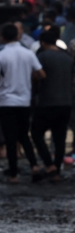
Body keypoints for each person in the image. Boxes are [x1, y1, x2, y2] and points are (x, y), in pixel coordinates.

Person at [0, 23, 45, 183]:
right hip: (24, 100)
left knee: (10, 138)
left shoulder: (1, 55)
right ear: (18, 36)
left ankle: (13, 173)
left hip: (6, 101)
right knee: (24, 135)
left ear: (2, 37)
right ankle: (34, 165)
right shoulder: (28, 54)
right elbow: (41, 74)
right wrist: (28, 79)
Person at [31, 28, 74, 181]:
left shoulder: (41, 56)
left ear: (43, 43)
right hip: (66, 102)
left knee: (36, 133)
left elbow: (36, 77)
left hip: (47, 102)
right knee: (60, 137)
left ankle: (49, 164)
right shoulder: (67, 58)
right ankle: (57, 171)